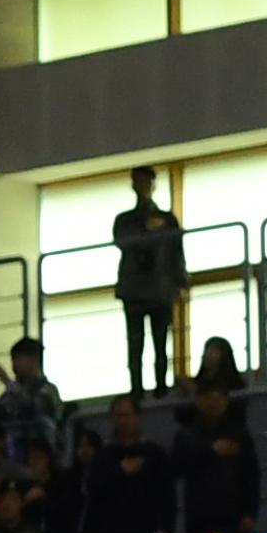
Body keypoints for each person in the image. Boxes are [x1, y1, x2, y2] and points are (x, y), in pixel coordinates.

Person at [111, 166, 187, 395]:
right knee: (135, 343)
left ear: (153, 185)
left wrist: (181, 280)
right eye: (139, 182)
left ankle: (161, 387)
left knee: (161, 342)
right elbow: (124, 242)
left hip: (160, 288)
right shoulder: (124, 220)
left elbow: (176, 251)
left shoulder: (166, 219)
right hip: (135, 288)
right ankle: (136, 389)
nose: (142, 187)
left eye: (146, 182)